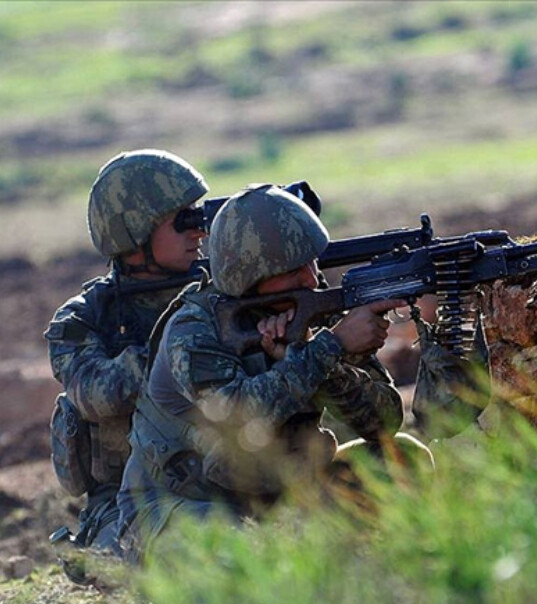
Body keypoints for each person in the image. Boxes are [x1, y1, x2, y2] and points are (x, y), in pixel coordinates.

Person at [117, 183, 430, 556]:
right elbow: (239, 417)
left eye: (313, 263)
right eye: (294, 271)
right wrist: (328, 347)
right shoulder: (194, 330)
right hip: (180, 505)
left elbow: (384, 422)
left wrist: (323, 359)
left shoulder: (308, 306)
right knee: (244, 558)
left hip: (277, 494)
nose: (312, 279)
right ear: (249, 277)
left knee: (402, 458)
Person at [44, 149, 210, 555]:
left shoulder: (219, 294)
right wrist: (183, 344)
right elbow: (96, 393)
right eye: (183, 220)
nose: (199, 232)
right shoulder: (85, 318)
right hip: (128, 503)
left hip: (227, 482)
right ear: (136, 232)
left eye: (199, 217)